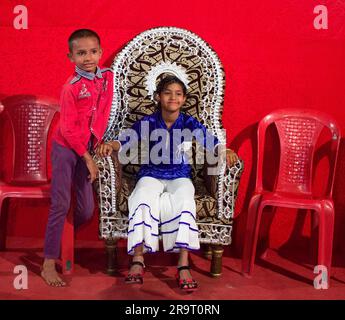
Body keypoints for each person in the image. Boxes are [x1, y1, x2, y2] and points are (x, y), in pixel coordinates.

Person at [97, 75, 238, 292]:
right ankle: (138, 259)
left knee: (185, 201)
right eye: (167, 92)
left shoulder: (188, 122)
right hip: (151, 174)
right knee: (142, 197)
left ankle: (183, 263)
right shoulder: (149, 121)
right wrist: (111, 145)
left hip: (180, 175)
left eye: (178, 94)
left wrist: (224, 150)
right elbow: (126, 138)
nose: (173, 97)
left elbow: (209, 141)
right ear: (158, 97)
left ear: (183, 100)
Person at [41, 29, 113, 286]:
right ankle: (49, 261)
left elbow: (103, 112)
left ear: (101, 52)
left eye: (93, 51)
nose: (88, 57)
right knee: (60, 204)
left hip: (87, 148)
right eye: (81, 53)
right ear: (70, 57)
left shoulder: (107, 78)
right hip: (66, 149)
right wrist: (87, 157)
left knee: (86, 210)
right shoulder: (70, 88)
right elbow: (68, 129)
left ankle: (64, 239)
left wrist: (100, 141)